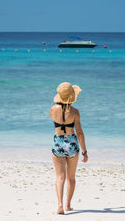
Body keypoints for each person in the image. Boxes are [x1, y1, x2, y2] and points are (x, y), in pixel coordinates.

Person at [49, 82, 88, 215]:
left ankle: (59, 205)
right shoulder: (75, 112)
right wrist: (84, 152)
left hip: (58, 143)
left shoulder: (52, 109)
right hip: (71, 144)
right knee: (71, 177)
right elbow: (80, 133)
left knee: (60, 177)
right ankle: (68, 205)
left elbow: (53, 118)